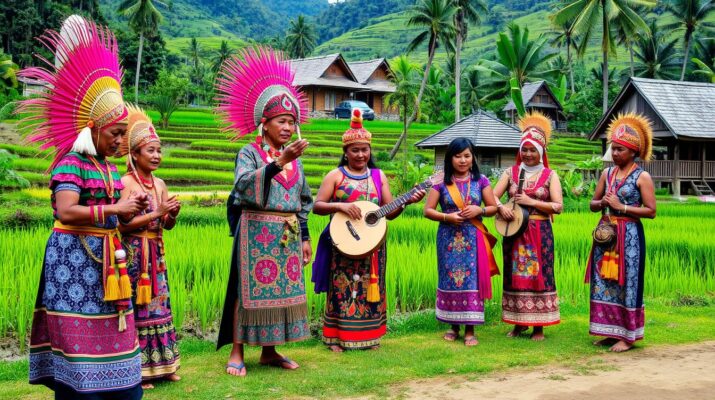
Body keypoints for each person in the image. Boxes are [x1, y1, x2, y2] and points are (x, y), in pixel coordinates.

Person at [19, 15, 147, 399]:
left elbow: (115, 211)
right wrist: (115, 209)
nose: (120, 141)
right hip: (72, 264)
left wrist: (131, 209)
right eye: (115, 133)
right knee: (79, 346)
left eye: (124, 134)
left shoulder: (106, 168)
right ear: (92, 128)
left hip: (106, 264)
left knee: (116, 335)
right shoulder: (70, 162)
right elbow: (65, 211)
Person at [215, 47, 313, 376]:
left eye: (291, 122)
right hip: (255, 233)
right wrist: (278, 163)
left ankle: (270, 351)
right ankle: (238, 350)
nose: (287, 128)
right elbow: (242, 186)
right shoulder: (250, 152)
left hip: (286, 234)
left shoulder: (295, 159)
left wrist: (305, 236)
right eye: (281, 121)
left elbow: (304, 200)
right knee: (249, 292)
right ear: (265, 123)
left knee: (281, 294)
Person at [312, 109, 425, 352]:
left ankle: (369, 336)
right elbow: (317, 206)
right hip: (343, 243)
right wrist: (340, 205)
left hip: (373, 245)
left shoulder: (378, 176)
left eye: (365, 149)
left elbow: (388, 211)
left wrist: (407, 202)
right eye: (355, 150)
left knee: (369, 289)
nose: (361, 154)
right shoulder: (335, 176)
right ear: (345, 152)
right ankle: (336, 338)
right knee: (342, 288)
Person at [118, 105, 181, 388]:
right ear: (134, 154)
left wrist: (171, 216)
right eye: (150, 151)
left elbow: (165, 225)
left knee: (159, 308)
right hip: (134, 257)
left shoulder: (160, 184)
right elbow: (123, 226)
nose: (156, 156)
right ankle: (139, 372)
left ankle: (165, 366)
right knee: (138, 308)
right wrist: (158, 213)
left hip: (156, 255)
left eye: (158, 150)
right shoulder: (126, 184)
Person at [587, 113, 656, 352]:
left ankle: (627, 336)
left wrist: (622, 206)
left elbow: (651, 211)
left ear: (633, 152)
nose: (615, 154)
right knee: (604, 281)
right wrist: (603, 203)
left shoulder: (642, 177)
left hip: (630, 237)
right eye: (613, 149)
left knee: (628, 282)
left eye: (620, 150)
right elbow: (592, 204)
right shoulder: (607, 174)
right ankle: (608, 331)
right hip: (606, 236)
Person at [493, 112, 563, 341]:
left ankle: (538, 327)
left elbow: (558, 206)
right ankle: (517, 323)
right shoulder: (510, 173)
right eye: (525, 149)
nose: (528, 154)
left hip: (539, 234)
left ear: (541, 152)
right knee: (515, 277)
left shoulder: (550, 175)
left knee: (538, 276)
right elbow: (492, 196)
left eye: (533, 150)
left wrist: (532, 202)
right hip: (514, 233)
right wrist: (501, 207)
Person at [423, 138, 499, 346]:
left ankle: (470, 329)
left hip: (473, 238)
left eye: (467, 155)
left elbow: (493, 208)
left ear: (473, 158)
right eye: (458, 156)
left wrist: (479, 210)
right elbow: (428, 211)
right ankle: (453, 326)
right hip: (448, 238)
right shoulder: (440, 182)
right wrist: (448, 217)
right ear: (450, 158)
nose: (463, 160)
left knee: (471, 280)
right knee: (450, 279)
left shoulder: (481, 180)